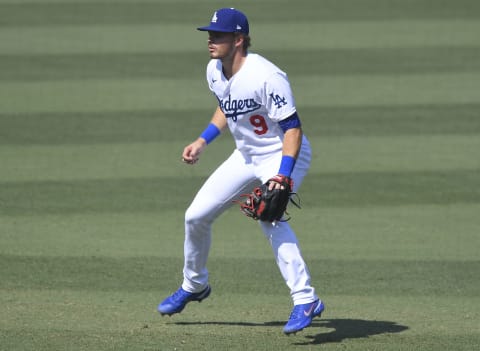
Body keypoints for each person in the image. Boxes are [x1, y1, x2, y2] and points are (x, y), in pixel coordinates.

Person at [157, 7, 324, 334]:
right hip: (245, 155)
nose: (210, 40)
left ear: (239, 39)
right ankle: (194, 285)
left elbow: (292, 129)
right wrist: (204, 140)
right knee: (195, 216)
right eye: (209, 34)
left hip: (283, 154)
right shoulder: (214, 70)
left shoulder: (267, 76)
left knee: (270, 217)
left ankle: (306, 299)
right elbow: (227, 103)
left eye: (218, 35)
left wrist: (283, 176)